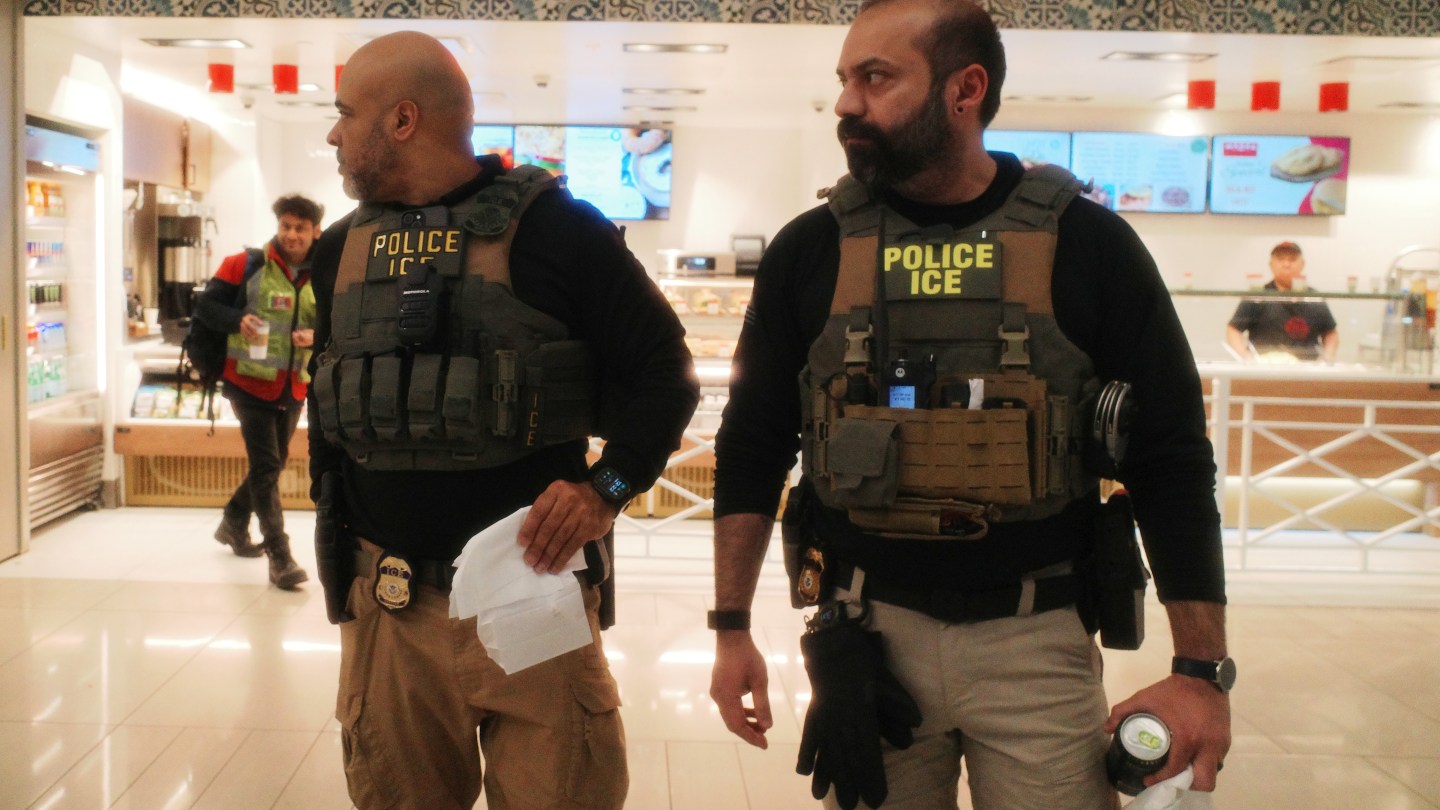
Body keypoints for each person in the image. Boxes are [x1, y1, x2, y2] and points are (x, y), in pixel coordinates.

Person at [707, 2, 1231, 808]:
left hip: (1038, 641)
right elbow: (751, 446)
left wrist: (1201, 670)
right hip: (864, 641)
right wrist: (730, 627)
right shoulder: (811, 248)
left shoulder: (1090, 246)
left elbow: (1169, 457)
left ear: (965, 89)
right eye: (846, 80)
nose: (848, 102)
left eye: (876, 77)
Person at [307, 31, 699, 810]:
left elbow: (667, 377)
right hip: (391, 607)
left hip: (535, 599)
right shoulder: (336, 253)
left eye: (346, 113)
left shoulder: (564, 233)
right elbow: (334, 410)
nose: (333, 131)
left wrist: (605, 490)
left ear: (403, 119)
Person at [198, 194, 321, 591]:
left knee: (274, 461)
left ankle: (234, 522)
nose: (291, 234)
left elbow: (337, 323)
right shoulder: (245, 265)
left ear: (315, 231)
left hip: (294, 384)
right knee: (268, 466)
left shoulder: (325, 273)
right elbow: (205, 308)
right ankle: (280, 556)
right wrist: (238, 319)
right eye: (285, 225)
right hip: (247, 382)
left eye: (300, 227)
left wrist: (317, 337)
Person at [1226, 241, 1338, 362]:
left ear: (1302, 264)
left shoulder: (1314, 297)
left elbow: (1330, 333)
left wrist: (1326, 358)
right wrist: (1246, 357)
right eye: (1280, 259)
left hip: (1307, 370)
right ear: (1271, 265)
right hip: (1265, 370)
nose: (1286, 264)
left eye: (1292, 259)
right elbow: (1233, 329)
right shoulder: (1258, 296)